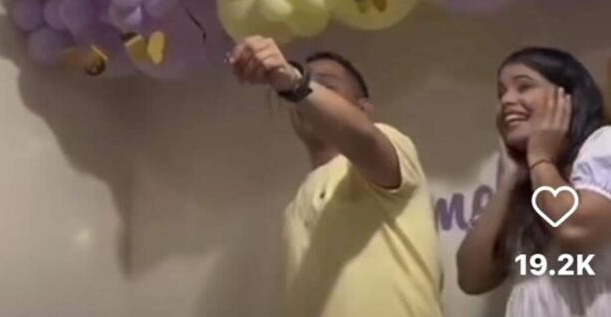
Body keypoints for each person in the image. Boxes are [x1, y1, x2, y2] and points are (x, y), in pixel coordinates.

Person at [230, 36, 444, 317]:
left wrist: (295, 82)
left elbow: (366, 139)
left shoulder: (393, 144)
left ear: (363, 109)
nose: (310, 95)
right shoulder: (292, 209)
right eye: (309, 84)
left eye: (327, 86)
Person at [457, 46, 611, 316]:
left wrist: (541, 158)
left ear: (567, 98)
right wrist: (510, 178)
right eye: (501, 93)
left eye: (524, 86)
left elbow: (576, 230)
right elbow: (472, 278)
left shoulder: (603, 144)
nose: (507, 100)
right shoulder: (530, 184)